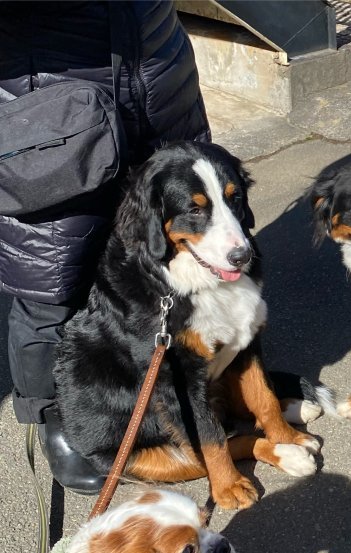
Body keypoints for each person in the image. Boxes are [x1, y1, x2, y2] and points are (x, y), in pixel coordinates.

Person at [0, 1, 211, 493]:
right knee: (52, 272)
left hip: (158, 68)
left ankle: (177, 373)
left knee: (171, 244)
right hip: (52, 92)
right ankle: (55, 412)